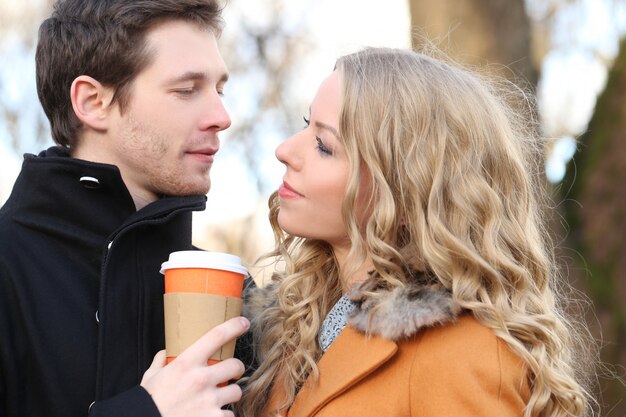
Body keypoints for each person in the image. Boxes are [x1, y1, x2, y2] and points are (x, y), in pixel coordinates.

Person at [237, 47, 596, 417]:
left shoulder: (463, 355)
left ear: (408, 194)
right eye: (305, 124)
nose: (283, 150)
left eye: (324, 146)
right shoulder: (296, 327)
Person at [0, 1, 252, 416]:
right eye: (187, 90)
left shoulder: (232, 291)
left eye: (219, 90)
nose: (221, 117)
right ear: (93, 101)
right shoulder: (10, 268)